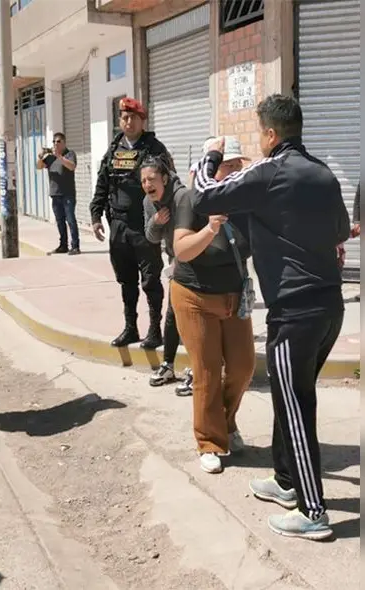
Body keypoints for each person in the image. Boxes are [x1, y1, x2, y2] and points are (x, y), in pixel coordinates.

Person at [192, 94, 350, 540]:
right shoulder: (323, 173)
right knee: (290, 392)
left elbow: (205, 195)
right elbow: (340, 230)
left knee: (296, 405)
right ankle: (286, 481)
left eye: (259, 132)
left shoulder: (268, 171)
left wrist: (212, 153)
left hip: (294, 312)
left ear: (269, 134)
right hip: (329, 309)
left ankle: (313, 511)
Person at [160, 141, 257, 475]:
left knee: (244, 367)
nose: (233, 171)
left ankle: (226, 424)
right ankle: (209, 441)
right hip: (193, 297)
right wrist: (211, 227)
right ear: (208, 169)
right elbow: (182, 250)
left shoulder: (244, 201)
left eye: (236, 165)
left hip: (233, 296)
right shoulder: (190, 200)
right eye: (226, 165)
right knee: (207, 371)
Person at [89, 97, 175, 349]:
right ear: (120, 121)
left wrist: (163, 219)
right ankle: (130, 328)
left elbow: (168, 183)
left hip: (145, 226)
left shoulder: (155, 149)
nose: (128, 122)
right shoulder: (114, 149)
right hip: (119, 225)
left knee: (150, 280)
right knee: (126, 280)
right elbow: (103, 184)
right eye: (124, 118)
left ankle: (154, 330)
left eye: (133, 118)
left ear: (142, 120)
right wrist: (96, 215)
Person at [142, 162, 183, 391]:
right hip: (175, 263)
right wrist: (156, 221)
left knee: (193, 317)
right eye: (144, 180)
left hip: (195, 260)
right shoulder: (148, 202)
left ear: (165, 179)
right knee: (173, 312)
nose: (147, 184)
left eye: (152, 179)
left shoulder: (182, 197)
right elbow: (151, 237)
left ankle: (198, 368)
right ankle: (168, 365)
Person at [37, 132, 80, 254]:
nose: (55, 144)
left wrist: (60, 157)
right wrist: (41, 157)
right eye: (54, 142)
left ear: (64, 143)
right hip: (55, 194)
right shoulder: (50, 157)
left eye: (58, 141)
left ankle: (75, 246)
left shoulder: (70, 154)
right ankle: (63, 245)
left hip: (67, 194)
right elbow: (39, 167)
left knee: (70, 220)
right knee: (60, 221)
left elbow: (72, 167)